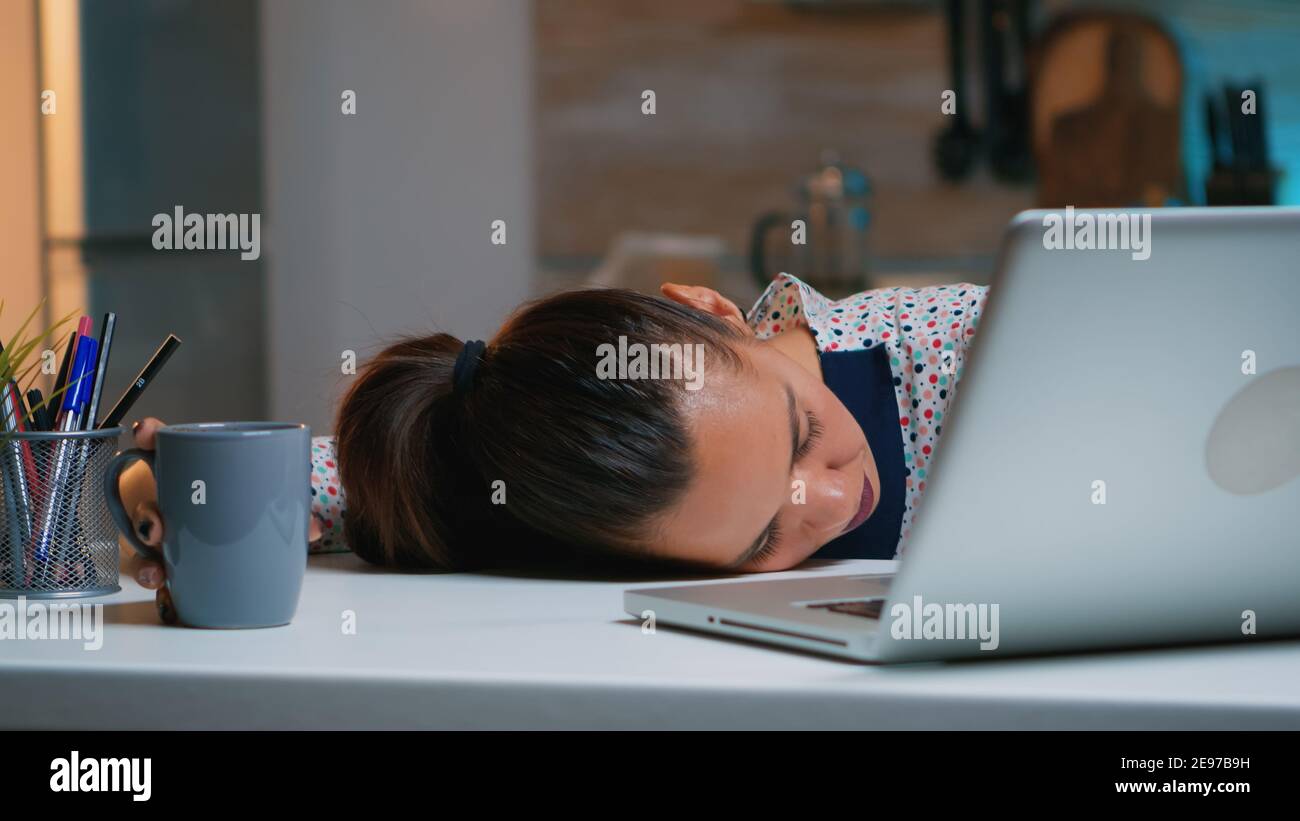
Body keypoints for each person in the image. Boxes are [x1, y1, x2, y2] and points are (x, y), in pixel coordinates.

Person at [122, 273, 987, 621]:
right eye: (762, 539)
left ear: (723, 315)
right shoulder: (548, 505)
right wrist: (166, 490)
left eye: (804, 430)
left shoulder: (970, 343)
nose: (835, 502)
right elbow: (377, 472)